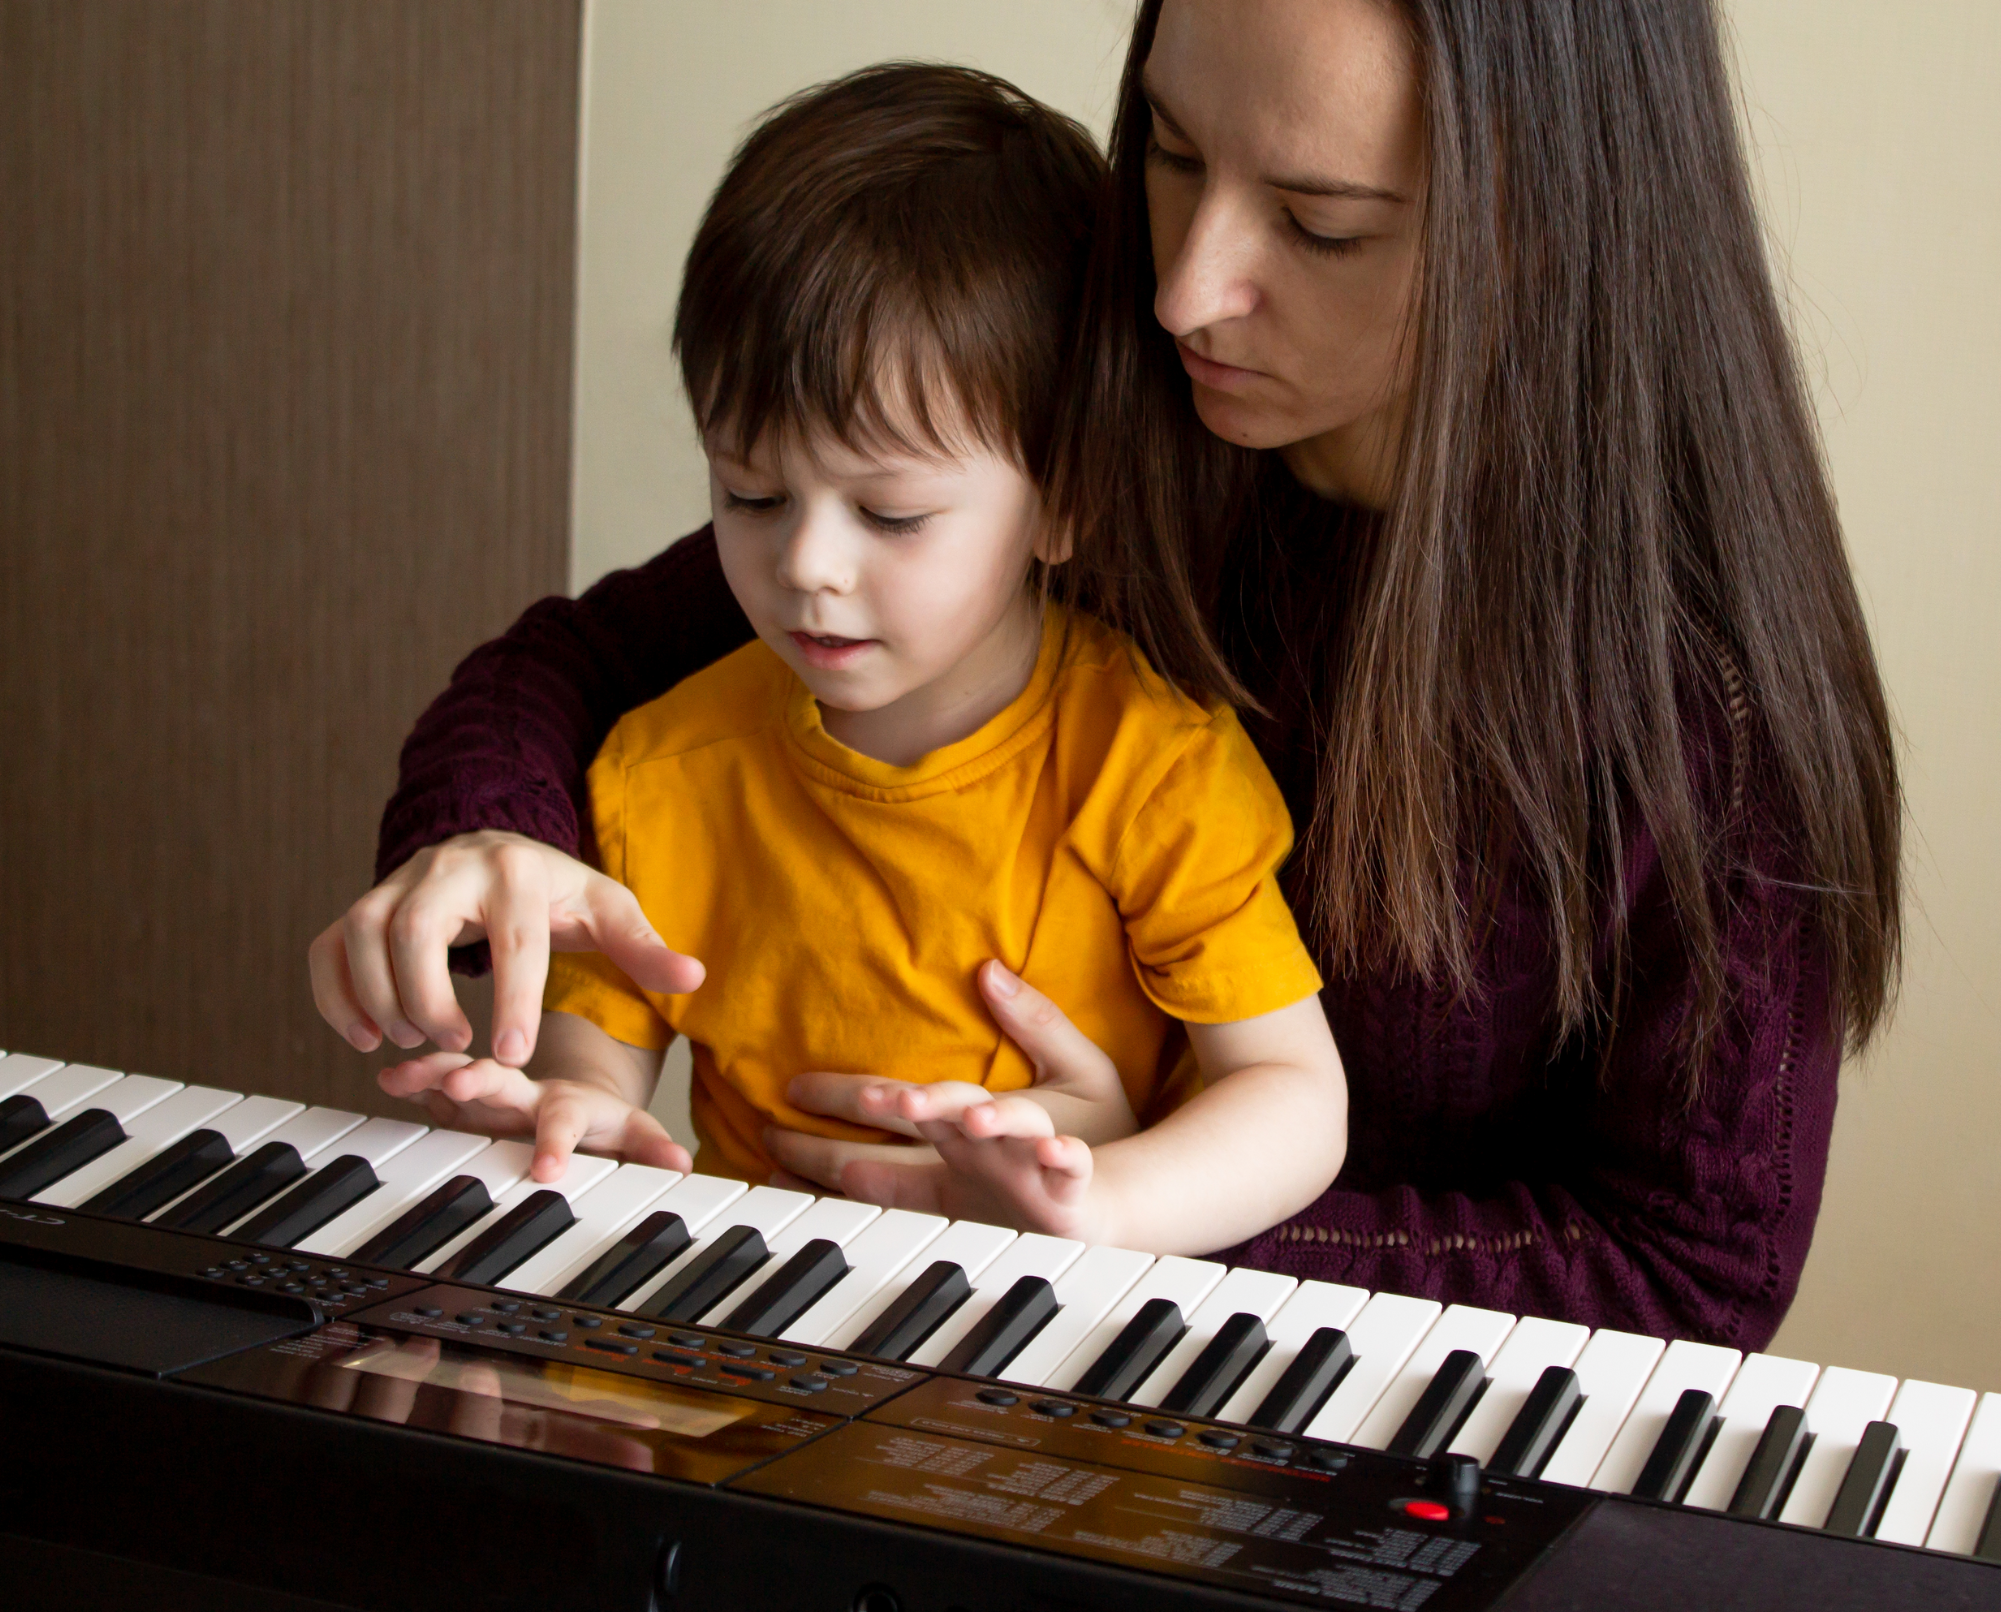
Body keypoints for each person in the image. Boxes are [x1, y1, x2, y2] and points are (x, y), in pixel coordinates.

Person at [313, 0, 1901, 1350]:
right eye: (1171, 150)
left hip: (1339, 1428)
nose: (1181, 288)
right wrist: (491, 842)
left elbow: (1690, 1276)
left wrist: (1142, 1197)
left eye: (1319, 222)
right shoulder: (1107, 411)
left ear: (1546, 236)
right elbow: (588, 661)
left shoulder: (1709, 709)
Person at [363, 65, 1347, 1256]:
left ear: (1066, 501)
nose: (808, 565)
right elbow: (599, 1054)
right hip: (762, 1325)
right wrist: (575, 1112)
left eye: (891, 516)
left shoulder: (1154, 767)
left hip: (1052, 1329)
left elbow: (1294, 1099)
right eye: (751, 492)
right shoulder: (665, 764)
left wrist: (1107, 1200)